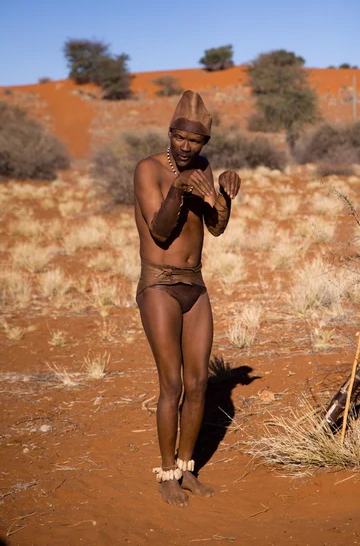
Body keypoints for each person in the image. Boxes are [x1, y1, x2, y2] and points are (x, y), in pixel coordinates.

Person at [134, 90, 241, 506]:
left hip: (195, 285)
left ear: (203, 144)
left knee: (199, 384)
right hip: (159, 284)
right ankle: (166, 474)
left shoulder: (203, 167)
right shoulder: (148, 169)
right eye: (179, 137)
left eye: (194, 141)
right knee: (173, 384)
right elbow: (160, 232)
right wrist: (179, 188)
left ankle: (186, 468)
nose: (185, 146)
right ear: (170, 133)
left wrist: (225, 198)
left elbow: (216, 227)